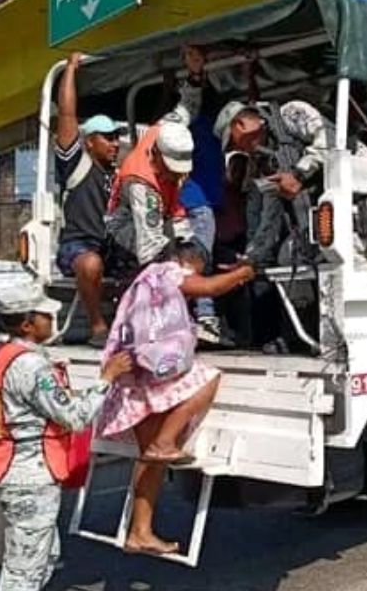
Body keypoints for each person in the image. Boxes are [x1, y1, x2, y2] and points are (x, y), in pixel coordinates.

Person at [98, 242, 254, 556]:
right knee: (208, 379)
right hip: (154, 370)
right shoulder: (169, 272)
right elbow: (210, 288)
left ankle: (140, 532)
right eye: (198, 269)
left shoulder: (143, 280)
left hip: (136, 373)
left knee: (150, 462)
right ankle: (166, 441)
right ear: (189, 262)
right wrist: (244, 273)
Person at [0, 284, 134, 591]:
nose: (52, 319)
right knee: (25, 569)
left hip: (19, 471)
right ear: (27, 324)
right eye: (45, 315)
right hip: (31, 476)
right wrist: (107, 378)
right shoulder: (31, 365)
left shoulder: (5, 354)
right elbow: (74, 417)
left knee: (43, 556)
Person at [203, 93, 332, 268]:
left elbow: (332, 139)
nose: (239, 149)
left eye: (233, 142)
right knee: (288, 258)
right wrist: (252, 258)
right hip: (320, 224)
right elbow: (269, 215)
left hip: (356, 192)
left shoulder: (290, 114)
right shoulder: (262, 164)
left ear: (240, 125)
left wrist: (299, 175)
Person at [55, 52, 123, 347]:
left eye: (117, 137)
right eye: (108, 137)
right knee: (91, 264)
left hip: (111, 246)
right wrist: (70, 69)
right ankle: (97, 327)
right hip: (77, 246)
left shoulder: (118, 173)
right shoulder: (76, 163)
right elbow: (67, 115)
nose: (115, 143)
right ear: (90, 141)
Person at [173, 45, 233, 344]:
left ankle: (196, 316)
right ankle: (205, 316)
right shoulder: (202, 126)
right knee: (200, 259)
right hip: (198, 201)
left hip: (200, 199)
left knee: (196, 258)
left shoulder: (205, 129)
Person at [104, 122, 197, 283]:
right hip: (126, 233)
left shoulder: (163, 134)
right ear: (156, 153)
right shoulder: (140, 184)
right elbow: (150, 247)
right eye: (172, 169)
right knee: (163, 273)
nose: (178, 176)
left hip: (163, 216)